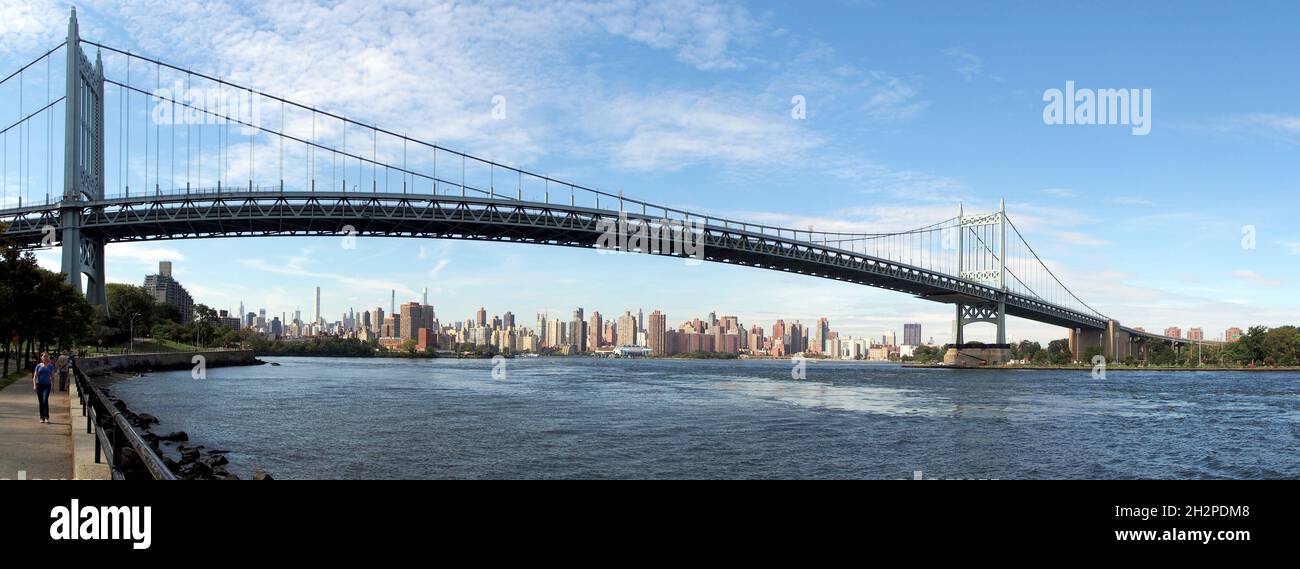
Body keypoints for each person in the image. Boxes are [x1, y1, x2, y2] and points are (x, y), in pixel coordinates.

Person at [33, 353, 55, 424]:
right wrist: (34, 385)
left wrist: (53, 386)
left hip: (47, 385)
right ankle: (41, 417)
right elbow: (34, 377)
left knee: (45, 400)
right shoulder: (38, 366)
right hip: (39, 385)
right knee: (41, 402)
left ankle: (47, 417)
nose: (45, 357)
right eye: (44, 356)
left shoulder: (50, 366)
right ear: (41, 357)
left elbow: (52, 377)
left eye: (47, 356)